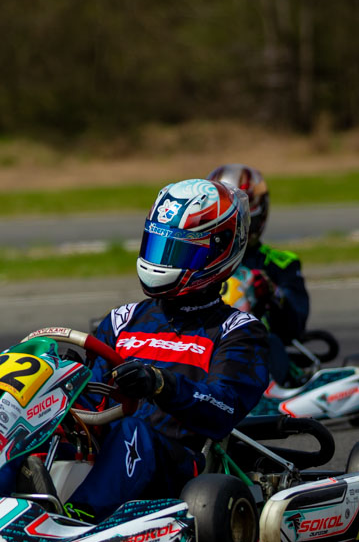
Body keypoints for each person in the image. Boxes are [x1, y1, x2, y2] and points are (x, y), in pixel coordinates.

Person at [58, 178, 271, 523]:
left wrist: (160, 384)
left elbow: (223, 407)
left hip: (182, 470)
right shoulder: (123, 320)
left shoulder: (238, 332)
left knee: (132, 432)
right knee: (31, 418)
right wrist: (66, 382)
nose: (162, 262)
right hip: (107, 454)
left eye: (178, 252)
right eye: (158, 246)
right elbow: (93, 403)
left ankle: (78, 520)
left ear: (218, 252)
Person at [208, 163, 310, 384]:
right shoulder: (200, 257)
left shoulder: (281, 264)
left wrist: (272, 294)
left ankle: (266, 390)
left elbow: (296, 325)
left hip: (258, 344)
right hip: (206, 339)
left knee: (269, 342)